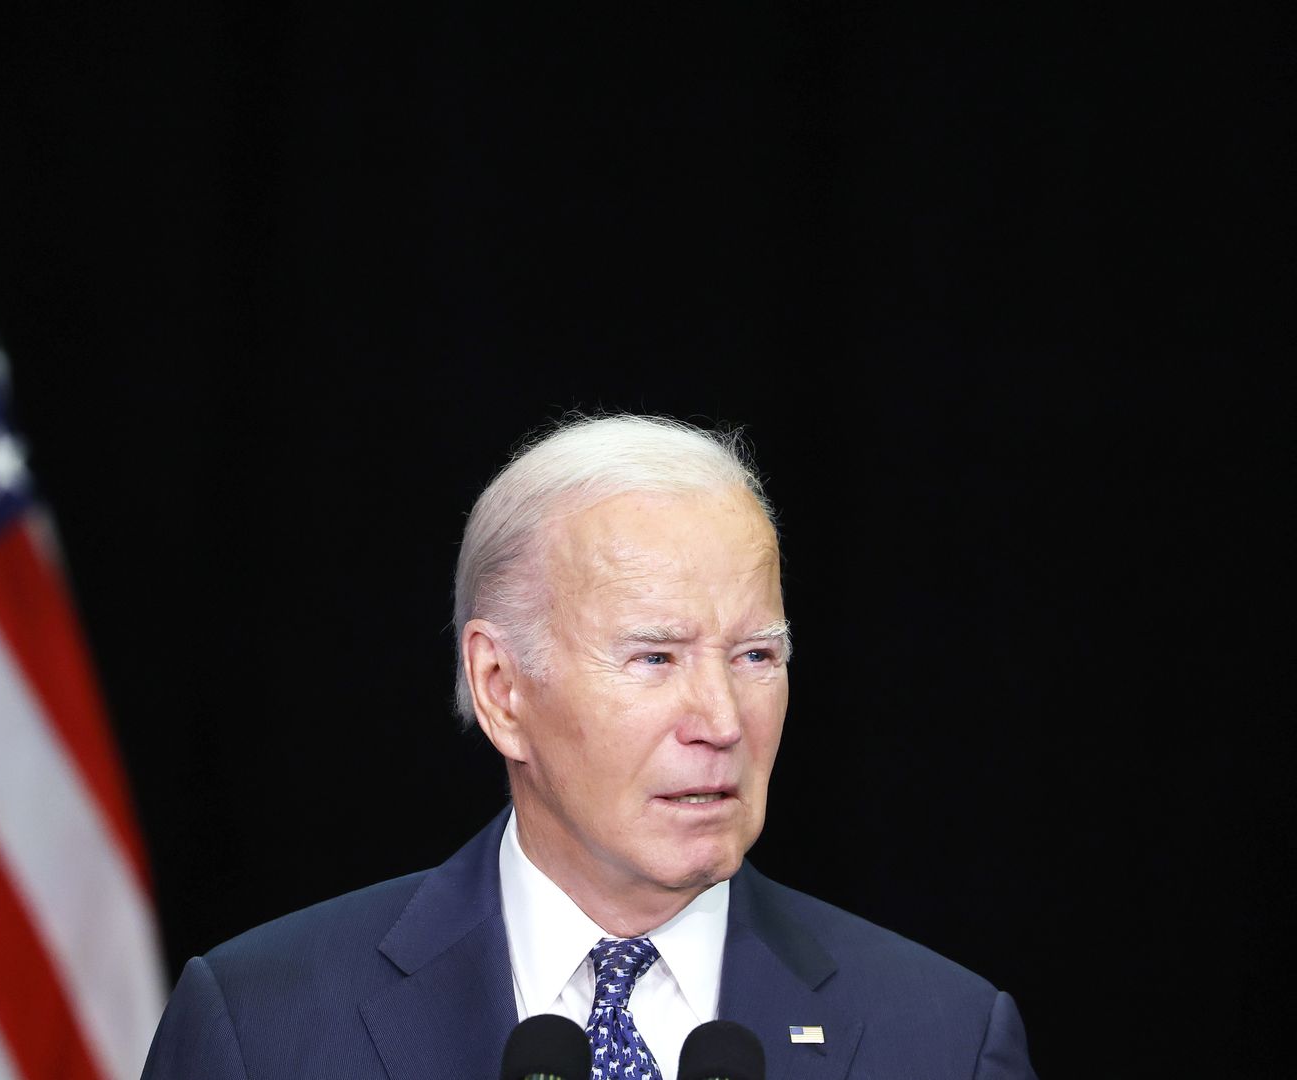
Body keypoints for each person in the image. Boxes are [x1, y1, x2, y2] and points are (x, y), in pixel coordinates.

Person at [141, 415, 1035, 1080]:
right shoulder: (266, 1027)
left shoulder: (943, 1039)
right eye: (655, 657)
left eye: (757, 655)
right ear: (501, 688)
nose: (722, 719)